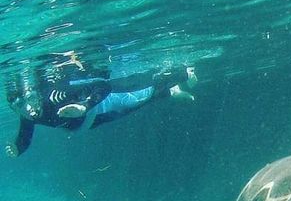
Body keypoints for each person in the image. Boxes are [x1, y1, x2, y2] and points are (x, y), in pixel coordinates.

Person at [5, 61, 198, 157]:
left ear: (36, 93)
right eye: (20, 107)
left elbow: (103, 86)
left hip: (101, 106)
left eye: (29, 99)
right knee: (135, 107)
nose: (28, 108)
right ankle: (171, 92)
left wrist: (84, 106)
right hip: (90, 123)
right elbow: (25, 137)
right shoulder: (27, 116)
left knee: (143, 95)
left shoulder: (55, 94)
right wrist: (17, 148)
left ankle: (183, 73)